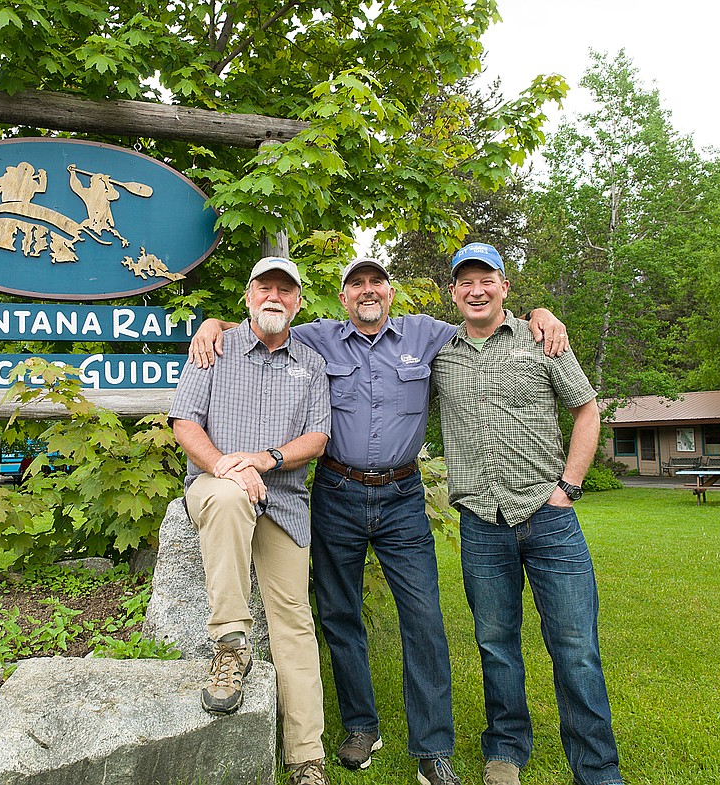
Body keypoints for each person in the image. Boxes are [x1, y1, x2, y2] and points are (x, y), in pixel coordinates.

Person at [189, 256, 568, 785]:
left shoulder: (429, 335)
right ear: (341, 299)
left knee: (424, 619)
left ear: (390, 294)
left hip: (403, 497)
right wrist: (213, 326)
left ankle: (432, 749)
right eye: (355, 285)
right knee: (340, 615)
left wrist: (541, 314)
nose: (367, 291)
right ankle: (361, 726)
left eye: (376, 283)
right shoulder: (317, 339)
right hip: (338, 492)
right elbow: (262, 322)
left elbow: (484, 320)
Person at [432, 243, 624, 785]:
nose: (476, 290)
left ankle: (596, 769)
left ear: (504, 286)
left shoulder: (544, 339)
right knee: (496, 644)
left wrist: (570, 486)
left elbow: (587, 408)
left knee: (576, 650)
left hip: (550, 517)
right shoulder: (439, 353)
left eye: (486, 279)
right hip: (480, 524)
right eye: (465, 281)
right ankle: (506, 751)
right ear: (453, 292)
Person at [169, 256, 333, 785]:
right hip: (217, 488)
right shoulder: (211, 349)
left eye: (287, 291)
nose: (275, 297)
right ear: (248, 295)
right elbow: (185, 422)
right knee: (227, 496)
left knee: (295, 622)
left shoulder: (310, 362)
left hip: (282, 500)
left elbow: (317, 438)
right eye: (266, 287)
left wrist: (263, 459)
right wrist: (224, 466)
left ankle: (306, 756)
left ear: (299, 303)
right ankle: (230, 643)